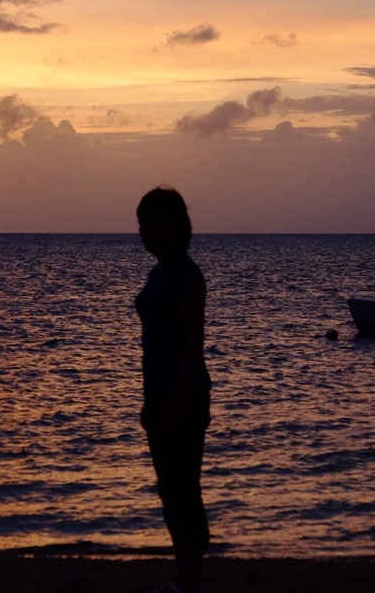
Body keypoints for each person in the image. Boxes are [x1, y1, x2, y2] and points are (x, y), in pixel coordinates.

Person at [135, 187, 211, 593]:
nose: (146, 231)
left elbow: (194, 344)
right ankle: (184, 577)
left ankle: (190, 581)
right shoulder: (158, 272)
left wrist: (180, 398)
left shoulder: (186, 273)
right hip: (158, 394)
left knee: (184, 490)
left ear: (177, 225)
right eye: (142, 223)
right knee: (170, 489)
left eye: (155, 221)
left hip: (183, 393)